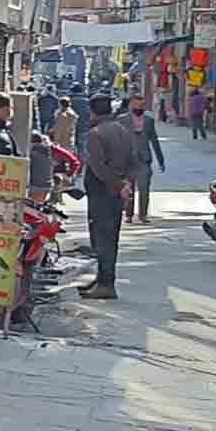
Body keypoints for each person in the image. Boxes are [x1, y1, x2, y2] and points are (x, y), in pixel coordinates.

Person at [80, 95, 133, 300]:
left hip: (102, 193)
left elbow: (98, 167)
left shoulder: (95, 134)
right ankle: (102, 278)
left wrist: (118, 184)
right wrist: (126, 184)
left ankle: (106, 284)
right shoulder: (122, 130)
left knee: (101, 239)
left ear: (93, 112)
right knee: (111, 238)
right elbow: (132, 160)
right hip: (116, 193)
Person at [124, 94, 166, 223]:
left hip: (144, 159)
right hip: (127, 160)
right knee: (128, 188)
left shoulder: (149, 120)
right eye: (136, 105)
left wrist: (161, 160)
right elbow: (116, 141)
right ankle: (129, 215)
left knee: (144, 188)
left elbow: (154, 140)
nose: (139, 108)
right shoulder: (122, 120)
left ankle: (143, 215)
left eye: (142, 105)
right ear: (131, 105)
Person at [51, 102, 79, 173]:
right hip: (69, 139)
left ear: (61, 105)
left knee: (61, 160)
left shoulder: (62, 115)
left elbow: (59, 130)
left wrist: (54, 140)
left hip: (62, 140)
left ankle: (61, 176)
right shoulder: (72, 114)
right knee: (68, 158)